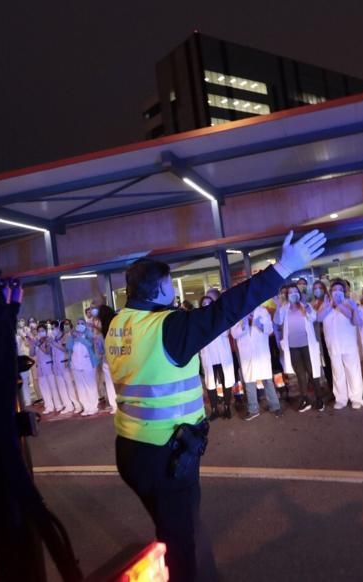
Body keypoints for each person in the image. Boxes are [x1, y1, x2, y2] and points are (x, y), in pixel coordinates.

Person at [106, 229, 325, 582]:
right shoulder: (168, 327)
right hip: (166, 453)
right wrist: (283, 267)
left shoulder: (119, 324)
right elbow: (227, 309)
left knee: (174, 528)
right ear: (160, 289)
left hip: (129, 450)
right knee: (182, 545)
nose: (172, 289)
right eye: (170, 283)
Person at [316, 279, 363, 410]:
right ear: (330, 292)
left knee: (353, 371)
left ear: (344, 291)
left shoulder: (349, 303)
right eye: (334, 290)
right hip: (333, 345)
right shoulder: (325, 304)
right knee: (337, 373)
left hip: (348, 344)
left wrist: (339, 304)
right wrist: (329, 305)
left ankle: (356, 398)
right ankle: (341, 398)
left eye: (340, 290)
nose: (337, 292)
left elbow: (352, 317)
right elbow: (319, 318)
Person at [275, 284, 324, 412]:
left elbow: (314, 318)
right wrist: (278, 306)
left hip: (307, 345)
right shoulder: (284, 308)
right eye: (290, 292)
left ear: (299, 293)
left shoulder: (305, 306)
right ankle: (305, 398)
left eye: (295, 291)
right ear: (287, 295)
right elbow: (278, 321)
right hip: (292, 347)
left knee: (312, 372)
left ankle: (319, 398)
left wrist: (307, 309)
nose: (292, 294)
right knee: (300, 374)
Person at [231, 304, 283, 420]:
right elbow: (234, 334)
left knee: (267, 380)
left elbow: (269, 330)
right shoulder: (238, 313)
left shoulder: (263, 311)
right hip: (246, 353)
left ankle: (275, 406)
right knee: (249, 381)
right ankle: (253, 409)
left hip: (261, 352)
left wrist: (258, 324)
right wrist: (245, 325)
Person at [198, 294, 237, 420]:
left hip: (222, 355)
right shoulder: (199, 320)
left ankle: (227, 407)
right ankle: (214, 409)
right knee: (210, 384)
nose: (207, 306)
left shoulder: (221, 316)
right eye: (204, 304)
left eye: (209, 303)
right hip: (208, 356)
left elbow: (226, 332)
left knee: (227, 381)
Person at [67, 319, 99, 416]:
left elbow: (90, 344)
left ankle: (93, 406)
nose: (80, 325)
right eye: (78, 323)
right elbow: (69, 347)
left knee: (90, 385)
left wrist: (80, 337)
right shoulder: (73, 336)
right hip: (75, 364)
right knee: (80, 387)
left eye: (82, 323)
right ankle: (86, 407)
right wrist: (71, 337)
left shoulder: (89, 334)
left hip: (87, 363)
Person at [311, 280, 335, 392]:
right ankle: (331, 387)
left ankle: (336, 388)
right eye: (315, 288)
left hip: (329, 335)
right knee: (325, 363)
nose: (317, 290)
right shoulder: (313, 303)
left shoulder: (329, 301)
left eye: (319, 288)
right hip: (318, 338)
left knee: (332, 362)